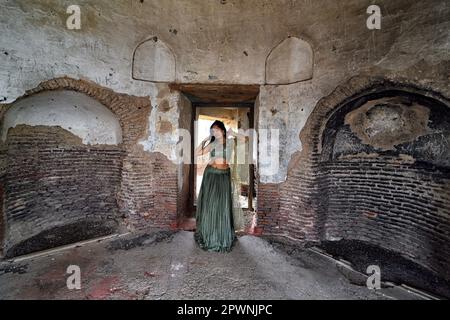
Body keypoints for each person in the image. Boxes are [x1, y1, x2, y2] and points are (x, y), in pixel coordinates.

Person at [193, 120, 239, 253]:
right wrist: (206, 139)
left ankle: (222, 236)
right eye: (212, 130)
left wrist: (234, 133)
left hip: (224, 175)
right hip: (211, 175)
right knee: (211, 204)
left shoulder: (230, 142)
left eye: (217, 129)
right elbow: (197, 153)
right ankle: (209, 235)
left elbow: (245, 140)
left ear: (223, 130)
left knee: (222, 205)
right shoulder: (212, 144)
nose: (214, 132)